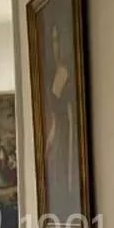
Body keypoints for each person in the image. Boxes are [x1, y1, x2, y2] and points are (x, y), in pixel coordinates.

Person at [44, 24, 79, 212]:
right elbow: (54, 114)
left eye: (58, 41)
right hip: (59, 129)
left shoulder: (65, 72)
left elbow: (63, 109)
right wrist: (50, 136)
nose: (56, 47)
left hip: (67, 128)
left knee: (64, 167)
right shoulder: (53, 74)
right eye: (53, 41)